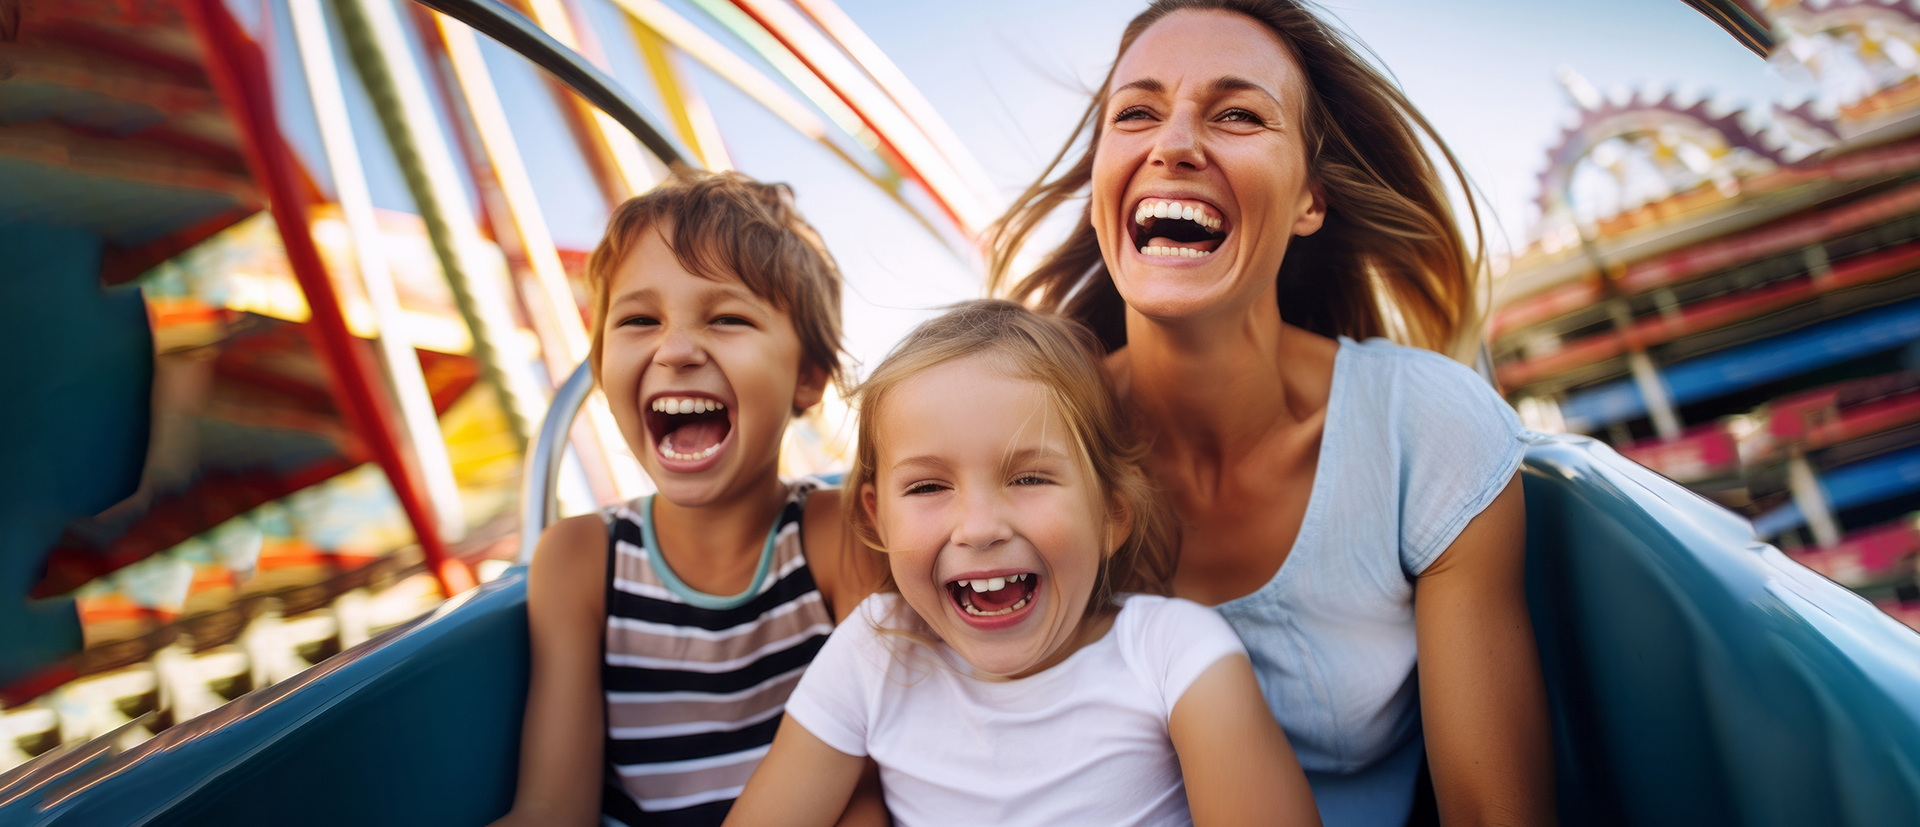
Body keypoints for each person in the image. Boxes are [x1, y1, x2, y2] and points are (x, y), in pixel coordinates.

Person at [986, 2, 1555, 825]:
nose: (1172, 144)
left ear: (1309, 201)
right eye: (1136, 113)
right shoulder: (1018, 441)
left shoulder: (1425, 429)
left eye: (1238, 115)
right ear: (1100, 186)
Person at [722, 300, 1323, 827]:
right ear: (878, 519)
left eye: (1029, 477)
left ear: (1111, 514)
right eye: (928, 487)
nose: (980, 528)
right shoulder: (875, 653)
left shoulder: (1175, 656)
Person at [491, 171, 883, 827]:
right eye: (640, 320)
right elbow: (553, 806)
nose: (674, 349)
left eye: (728, 318)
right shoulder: (583, 557)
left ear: (808, 376)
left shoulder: (835, 537)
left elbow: (868, 793)